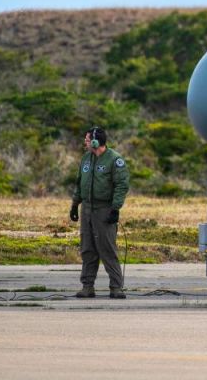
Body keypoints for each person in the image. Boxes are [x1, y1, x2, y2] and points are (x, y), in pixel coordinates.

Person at [70, 126, 130, 299]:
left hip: (104, 210)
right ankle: (87, 287)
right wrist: (75, 205)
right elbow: (79, 183)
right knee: (87, 248)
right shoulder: (86, 159)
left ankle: (116, 287)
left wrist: (115, 208)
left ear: (96, 142)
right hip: (87, 209)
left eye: (88, 140)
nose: (85, 142)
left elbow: (121, 186)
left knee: (107, 249)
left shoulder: (115, 160)